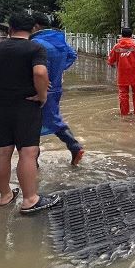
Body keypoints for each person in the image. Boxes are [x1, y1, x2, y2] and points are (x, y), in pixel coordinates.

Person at [0, 12, 60, 215]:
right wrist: (42, 96)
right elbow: (40, 73)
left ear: (10, 29)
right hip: (26, 106)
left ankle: (5, 195)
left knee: (2, 152)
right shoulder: (35, 48)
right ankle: (30, 200)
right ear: (33, 30)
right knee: (28, 152)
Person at [30, 12, 84, 166]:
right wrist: (58, 70)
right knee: (50, 118)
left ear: (36, 26)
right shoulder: (58, 40)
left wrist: (45, 77)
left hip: (39, 88)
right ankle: (34, 161)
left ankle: (34, 162)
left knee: (34, 123)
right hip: (56, 87)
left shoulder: (35, 43)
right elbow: (72, 55)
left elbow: (37, 70)